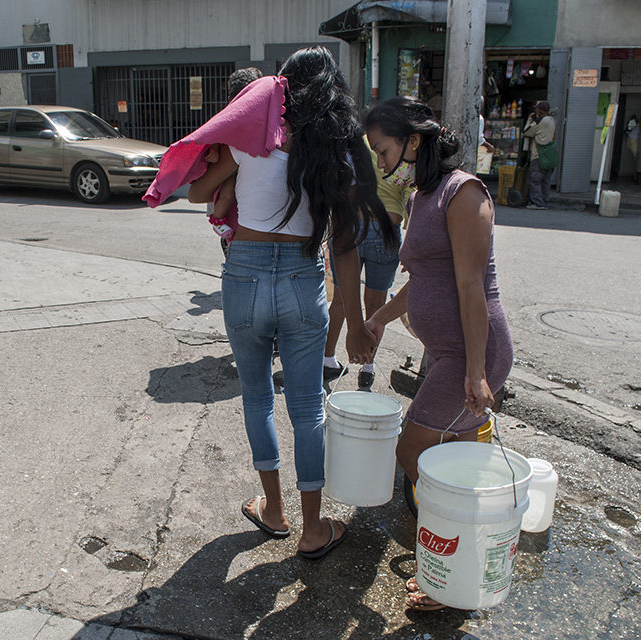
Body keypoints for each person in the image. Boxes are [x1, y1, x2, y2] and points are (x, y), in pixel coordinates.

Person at [188, 46, 398, 559]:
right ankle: (311, 529)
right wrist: (355, 327)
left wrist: (240, 173)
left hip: (244, 275)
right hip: (304, 283)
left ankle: (273, 511)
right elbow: (344, 250)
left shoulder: (249, 139)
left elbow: (196, 193)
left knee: (258, 397)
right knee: (308, 410)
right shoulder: (336, 153)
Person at [362, 97, 513, 610]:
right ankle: (454, 571)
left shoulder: (464, 192)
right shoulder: (422, 195)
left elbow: (472, 288)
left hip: (472, 354)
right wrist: (380, 318)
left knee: (413, 452)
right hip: (449, 353)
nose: (381, 163)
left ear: (414, 141)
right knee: (455, 468)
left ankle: (448, 573)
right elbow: (423, 278)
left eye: (384, 151)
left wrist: (475, 372)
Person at [323, 142, 409, 389]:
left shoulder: (358, 141)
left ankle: (327, 359)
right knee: (376, 303)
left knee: (341, 298)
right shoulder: (404, 149)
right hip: (387, 228)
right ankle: (368, 367)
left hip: (353, 223)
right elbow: (410, 195)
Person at [204, 67, 264, 251]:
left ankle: (219, 222)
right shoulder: (226, 119)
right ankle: (218, 222)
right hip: (232, 178)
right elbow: (213, 138)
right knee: (228, 195)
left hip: (252, 224)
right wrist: (213, 153)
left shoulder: (268, 121)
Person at [523, 100, 556, 210]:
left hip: (539, 155)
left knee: (535, 180)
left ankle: (537, 203)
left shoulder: (540, 121)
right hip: (550, 155)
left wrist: (529, 119)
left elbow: (527, 132)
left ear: (539, 110)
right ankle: (544, 200)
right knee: (545, 181)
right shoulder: (552, 120)